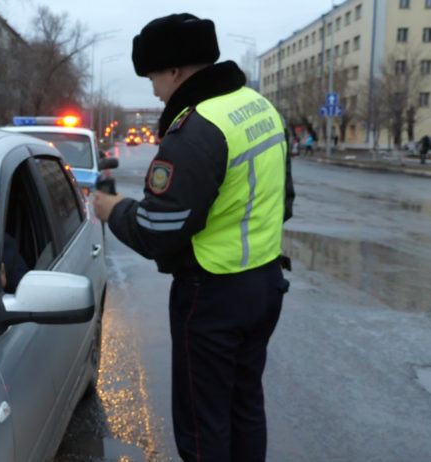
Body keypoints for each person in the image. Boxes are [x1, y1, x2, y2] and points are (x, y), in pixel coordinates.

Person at [93, 13, 294, 462]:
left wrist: (113, 209)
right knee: (245, 405)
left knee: (203, 425)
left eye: (153, 78)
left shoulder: (197, 129)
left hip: (213, 297)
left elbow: (157, 231)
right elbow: (285, 200)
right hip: (265, 284)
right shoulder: (259, 107)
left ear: (175, 70)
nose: (153, 91)